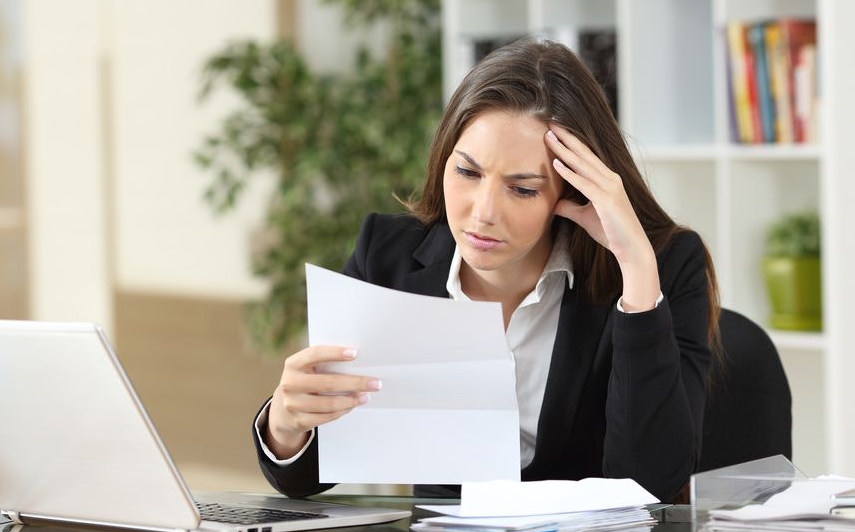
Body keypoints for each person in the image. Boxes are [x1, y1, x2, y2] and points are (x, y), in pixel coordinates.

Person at [250, 38, 720, 503]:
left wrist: (637, 270)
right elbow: (308, 475)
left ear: (573, 191)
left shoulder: (661, 267)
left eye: (522, 189)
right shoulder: (389, 255)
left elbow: (649, 484)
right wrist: (287, 424)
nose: (482, 213)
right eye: (468, 173)